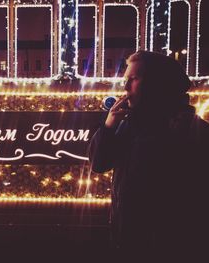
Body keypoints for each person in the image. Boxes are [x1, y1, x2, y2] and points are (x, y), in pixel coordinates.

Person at [89, 51, 209, 261]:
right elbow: (99, 163)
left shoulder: (191, 130)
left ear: (157, 84)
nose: (125, 88)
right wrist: (109, 126)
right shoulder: (128, 124)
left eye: (133, 79)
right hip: (127, 240)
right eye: (126, 80)